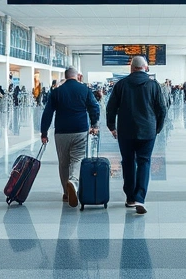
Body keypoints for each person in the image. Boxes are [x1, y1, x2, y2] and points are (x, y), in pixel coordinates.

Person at [106, 55, 167, 215]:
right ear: (145, 68)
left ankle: (130, 197)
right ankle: (140, 197)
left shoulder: (121, 85)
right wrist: (157, 128)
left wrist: (111, 126)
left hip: (126, 131)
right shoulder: (154, 85)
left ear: (131, 68)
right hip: (148, 130)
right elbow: (162, 109)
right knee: (144, 162)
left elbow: (111, 107)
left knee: (127, 162)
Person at [40, 67, 100, 208]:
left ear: (65, 77)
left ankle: (66, 193)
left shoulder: (56, 92)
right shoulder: (84, 90)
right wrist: (94, 125)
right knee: (77, 159)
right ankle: (73, 181)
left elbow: (47, 113)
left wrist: (44, 132)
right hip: (80, 130)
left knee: (63, 162)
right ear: (78, 76)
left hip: (61, 132)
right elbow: (94, 107)